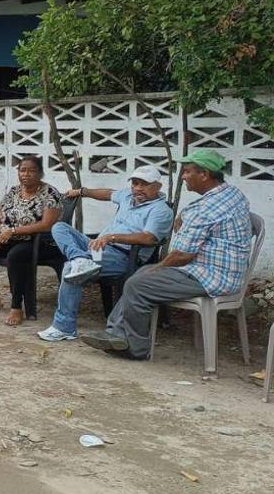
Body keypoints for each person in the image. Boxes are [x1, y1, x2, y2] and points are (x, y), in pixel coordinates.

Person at [81, 150, 253, 360]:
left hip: (209, 275)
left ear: (204, 175)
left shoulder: (205, 209)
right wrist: (184, 214)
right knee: (141, 274)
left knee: (139, 282)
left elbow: (182, 255)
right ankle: (116, 333)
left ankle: (134, 348)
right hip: (219, 270)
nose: (183, 176)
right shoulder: (231, 193)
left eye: (187, 171)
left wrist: (158, 267)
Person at [37, 167, 175, 342]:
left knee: (72, 270)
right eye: (135, 183)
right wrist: (81, 191)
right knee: (60, 228)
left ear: (158, 186)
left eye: (144, 184)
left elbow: (148, 238)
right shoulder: (127, 196)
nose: (138, 188)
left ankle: (64, 327)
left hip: (123, 256)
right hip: (98, 248)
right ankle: (80, 258)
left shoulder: (161, 210)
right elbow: (108, 193)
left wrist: (112, 237)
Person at [0, 156, 64, 326]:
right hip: (11, 239)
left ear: (40, 173)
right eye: (22, 170)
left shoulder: (50, 193)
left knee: (16, 255)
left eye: (31, 170)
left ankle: (16, 307)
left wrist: (13, 231)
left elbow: (46, 225)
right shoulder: (14, 191)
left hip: (39, 242)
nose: (26, 174)